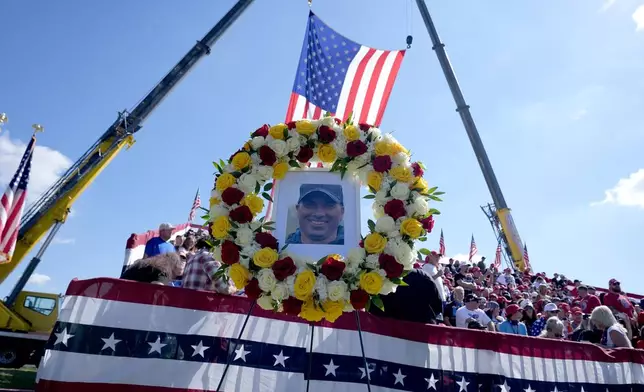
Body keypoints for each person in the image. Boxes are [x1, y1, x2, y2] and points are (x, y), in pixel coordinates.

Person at [369, 268, 443, 324]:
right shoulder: (423, 276)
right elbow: (437, 307)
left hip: (387, 334)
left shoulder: (378, 279)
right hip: (420, 335)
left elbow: (373, 310)